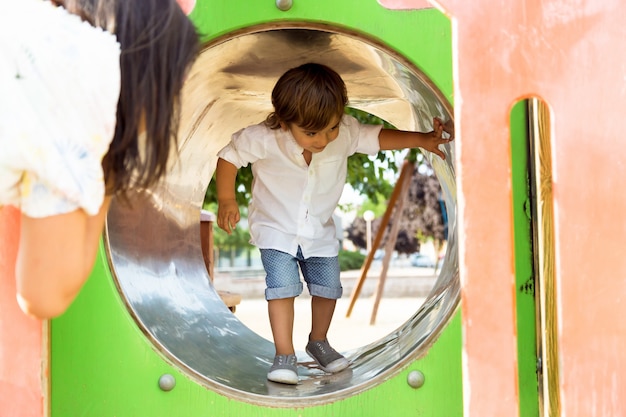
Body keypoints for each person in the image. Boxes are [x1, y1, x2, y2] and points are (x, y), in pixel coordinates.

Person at [215, 62, 454, 384]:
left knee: (328, 289)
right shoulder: (264, 137)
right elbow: (230, 156)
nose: (323, 139)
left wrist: (422, 139)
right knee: (282, 288)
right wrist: (228, 200)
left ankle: (318, 342)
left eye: (331, 129)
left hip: (319, 232)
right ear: (285, 122)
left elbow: (379, 137)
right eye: (311, 133)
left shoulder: (345, 133)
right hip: (275, 229)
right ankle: (283, 354)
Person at [0, 0, 199, 319]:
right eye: (175, 81)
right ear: (145, 71)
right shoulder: (86, 79)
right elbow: (43, 295)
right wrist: (108, 167)